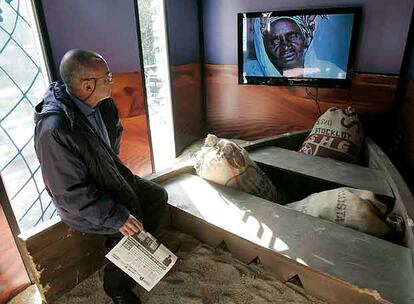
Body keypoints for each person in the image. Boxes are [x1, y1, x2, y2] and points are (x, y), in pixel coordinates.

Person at [34, 49, 168, 304]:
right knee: (127, 224)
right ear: (87, 85)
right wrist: (116, 216)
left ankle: (138, 254)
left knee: (156, 196)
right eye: (107, 77)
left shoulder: (102, 103)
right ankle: (115, 285)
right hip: (82, 203)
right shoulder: (55, 131)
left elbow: (111, 147)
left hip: (108, 177)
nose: (112, 81)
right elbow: (69, 193)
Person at [244, 14, 346, 78]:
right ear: (265, 48)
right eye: (275, 41)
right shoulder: (251, 72)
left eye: (292, 36)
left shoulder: (329, 72)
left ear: (306, 39)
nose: (285, 46)